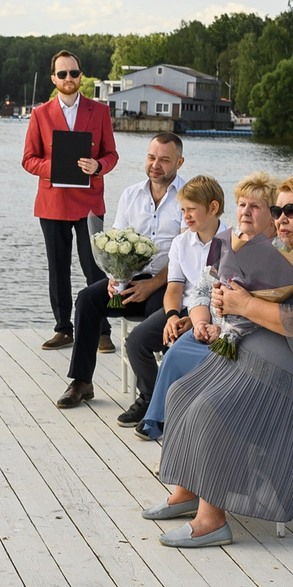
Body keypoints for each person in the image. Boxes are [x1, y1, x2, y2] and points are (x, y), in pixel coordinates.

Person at [142, 172, 293, 545]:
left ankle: (212, 521)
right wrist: (229, 298)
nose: (280, 218)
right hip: (278, 358)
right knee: (182, 392)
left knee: (211, 409)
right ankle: (188, 491)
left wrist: (244, 303)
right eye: (277, 210)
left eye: (291, 210)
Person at [137, 172, 274, 441]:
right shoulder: (227, 243)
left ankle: (189, 437)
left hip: (245, 338)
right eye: (242, 205)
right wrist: (201, 323)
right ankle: (161, 422)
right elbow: (201, 291)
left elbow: (269, 309)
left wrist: (221, 331)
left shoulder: (278, 252)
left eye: (255, 206)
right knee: (176, 353)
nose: (245, 212)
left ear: (273, 213)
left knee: (200, 368)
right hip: (210, 326)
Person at [53, 133, 184, 407]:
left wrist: (154, 283)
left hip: (166, 286)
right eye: (151, 157)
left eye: (164, 160)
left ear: (179, 163)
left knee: (155, 315)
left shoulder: (187, 198)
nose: (155, 165)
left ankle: (151, 394)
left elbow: (186, 253)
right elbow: (114, 243)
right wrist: (114, 277)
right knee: (88, 298)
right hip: (128, 284)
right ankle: (81, 382)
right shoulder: (130, 195)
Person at [21, 50, 118, 350]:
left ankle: (103, 330)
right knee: (58, 267)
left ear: (80, 76)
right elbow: (28, 160)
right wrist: (55, 167)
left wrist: (98, 166)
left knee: (95, 268)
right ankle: (64, 328)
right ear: (54, 78)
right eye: (62, 74)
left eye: (73, 73)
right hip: (52, 203)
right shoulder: (39, 114)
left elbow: (111, 155)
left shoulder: (99, 112)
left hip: (89, 203)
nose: (68, 79)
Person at [114, 175, 224, 429]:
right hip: (183, 306)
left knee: (175, 348)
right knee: (136, 342)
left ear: (213, 207)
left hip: (216, 312)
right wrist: (173, 316)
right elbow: (174, 287)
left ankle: (173, 410)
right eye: (183, 210)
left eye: (192, 209)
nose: (186, 216)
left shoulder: (231, 241)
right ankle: (154, 401)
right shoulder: (181, 242)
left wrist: (196, 319)